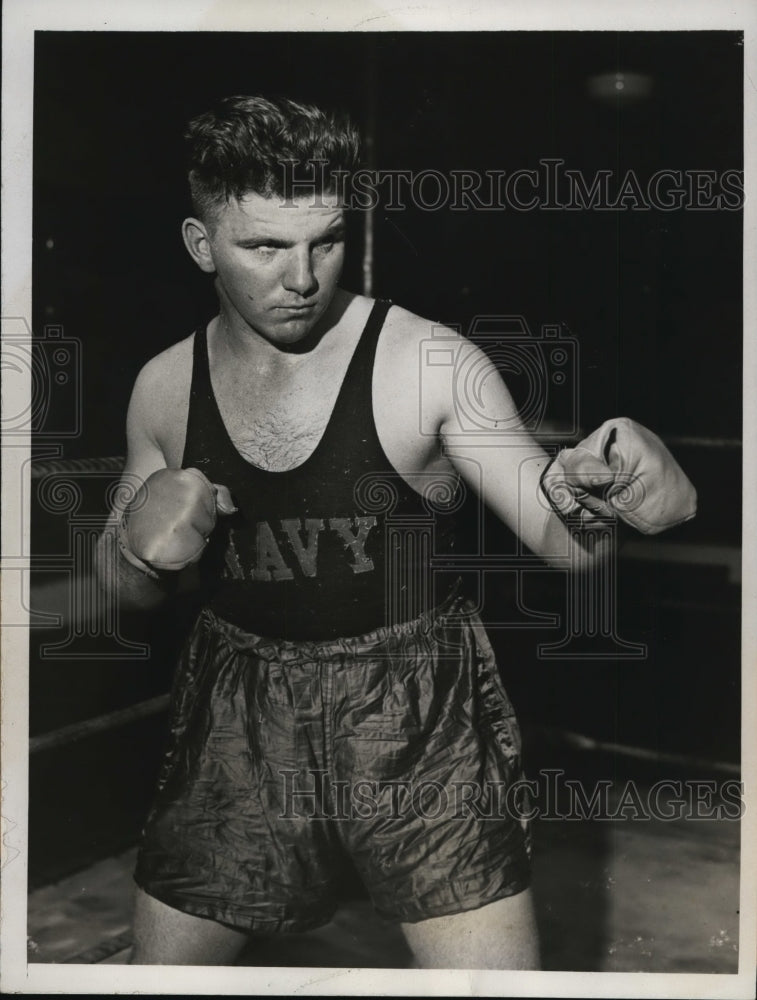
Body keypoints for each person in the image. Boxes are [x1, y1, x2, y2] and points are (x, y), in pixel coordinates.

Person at [96, 95, 696, 968]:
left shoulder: (430, 361)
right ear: (201, 245)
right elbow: (126, 592)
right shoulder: (161, 389)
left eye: (326, 240)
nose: (302, 277)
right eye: (264, 246)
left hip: (418, 710)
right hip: (240, 710)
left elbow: (569, 547)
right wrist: (133, 549)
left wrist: (604, 495)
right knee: (156, 979)